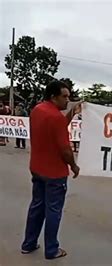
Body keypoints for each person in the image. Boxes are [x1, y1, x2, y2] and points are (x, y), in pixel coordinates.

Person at [21, 80, 82, 260]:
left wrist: (71, 113)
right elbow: (65, 149)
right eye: (64, 97)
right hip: (55, 173)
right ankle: (52, 249)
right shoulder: (55, 117)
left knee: (36, 207)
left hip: (37, 168)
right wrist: (74, 165)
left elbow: (57, 125)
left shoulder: (38, 110)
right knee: (53, 211)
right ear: (53, 96)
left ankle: (28, 244)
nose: (67, 100)